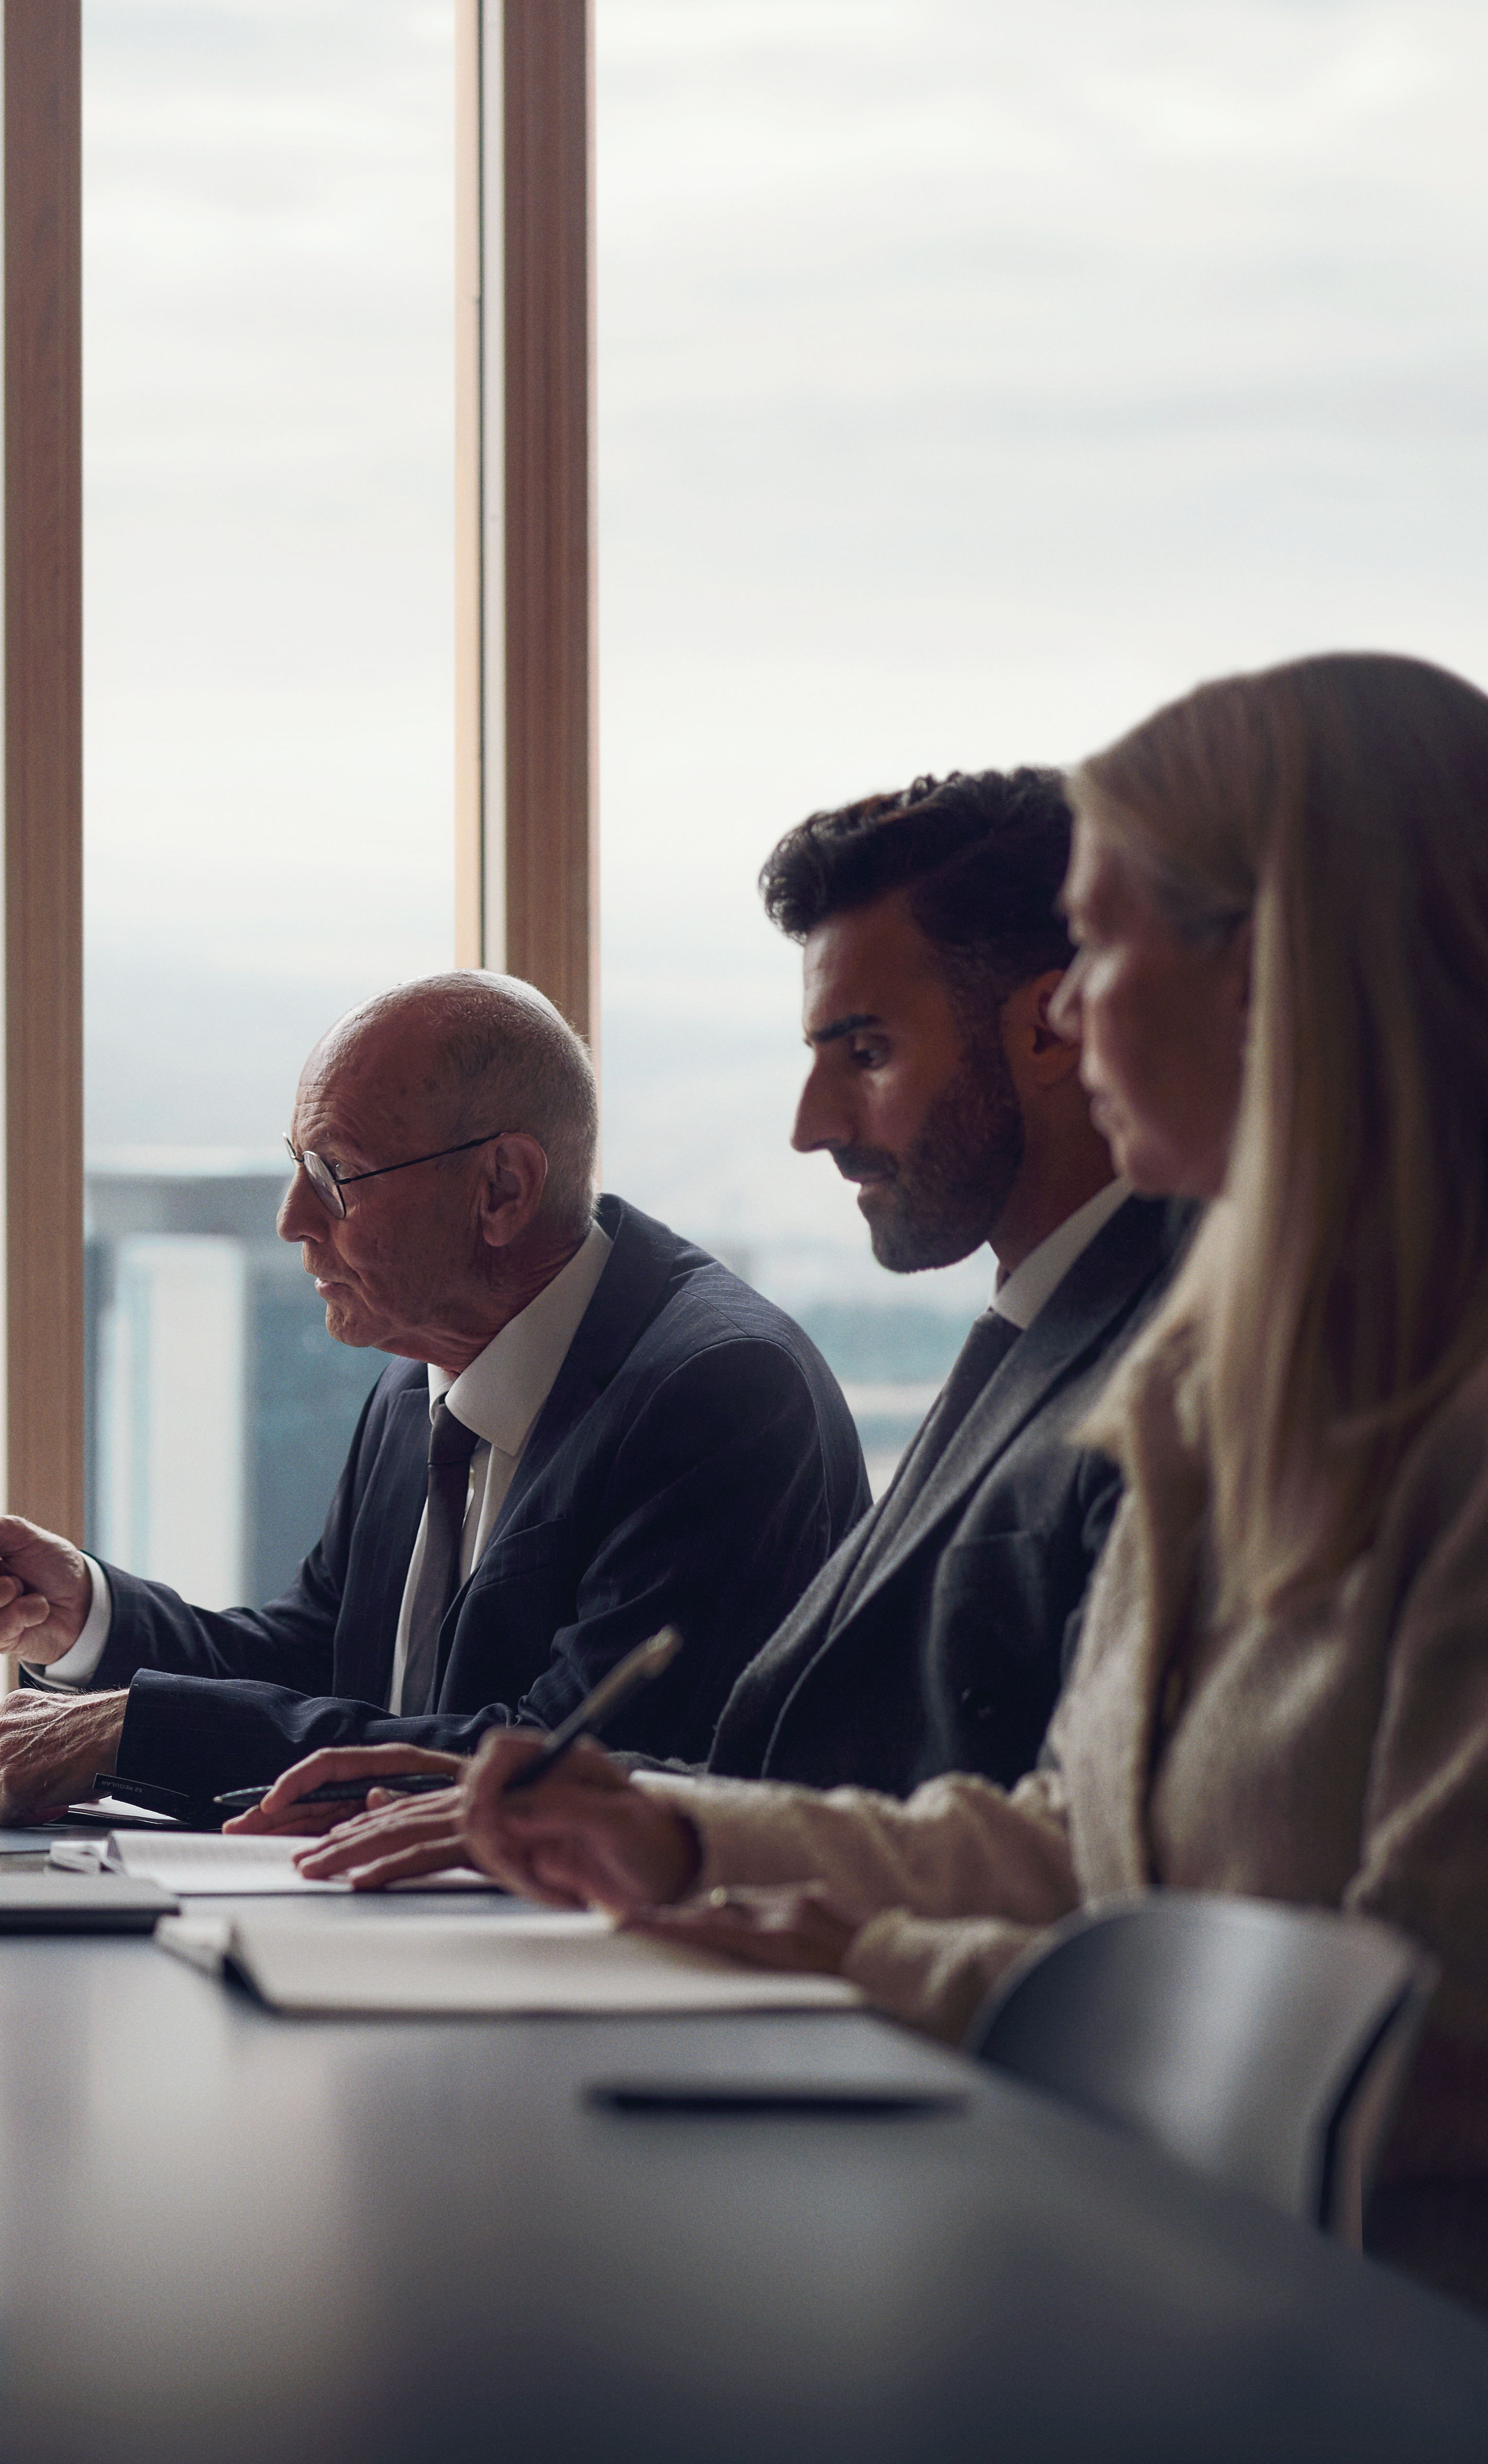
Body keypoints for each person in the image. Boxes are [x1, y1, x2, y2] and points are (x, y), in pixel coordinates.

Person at [445, 652, 1488, 2309]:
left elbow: (1435, 2054)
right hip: (1188, 2301)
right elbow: (1091, 1850)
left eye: (1104, 950)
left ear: (1271, 975)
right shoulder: (1220, 1396)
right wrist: (684, 1842)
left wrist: (884, 1968)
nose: (1066, 1015)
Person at [274, 769, 1190, 1876]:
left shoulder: (1178, 1374)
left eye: (867, 1053)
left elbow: (1098, 1857)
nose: (810, 1126)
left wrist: (687, 1839)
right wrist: (652, 1822)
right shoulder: (1029, 1335)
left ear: (1053, 1028)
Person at [0, 970, 870, 1818]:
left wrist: (143, 1729)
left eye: (335, 1174)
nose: (291, 1218)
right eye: (297, 1167)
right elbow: (318, 1663)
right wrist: (87, 1617)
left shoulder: (722, 1396)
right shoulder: (421, 1367)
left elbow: (567, 1764)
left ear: (503, 1188)